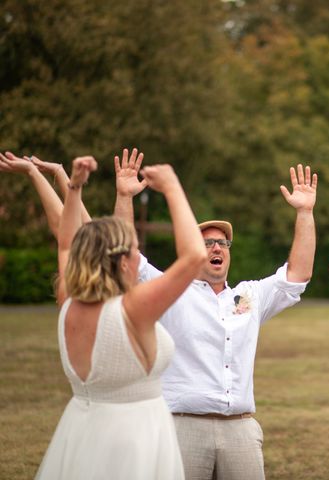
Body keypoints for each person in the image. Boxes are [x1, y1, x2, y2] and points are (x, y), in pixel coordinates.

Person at [114, 159, 317, 480]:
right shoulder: (172, 290)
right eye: (207, 243)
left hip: (240, 429)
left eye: (222, 242)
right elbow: (127, 258)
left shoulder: (248, 296)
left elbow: (298, 274)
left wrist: (305, 213)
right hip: (183, 427)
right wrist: (124, 198)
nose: (216, 247)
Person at [36, 155, 207, 479]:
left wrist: (74, 187)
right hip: (134, 439)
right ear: (125, 262)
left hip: (80, 431)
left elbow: (65, 242)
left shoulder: (68, 303)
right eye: (133, 249)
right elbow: (194, 256)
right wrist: (172, 187)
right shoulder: (133, 309)